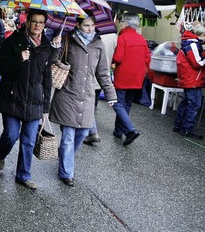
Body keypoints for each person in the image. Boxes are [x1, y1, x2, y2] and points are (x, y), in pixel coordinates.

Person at [49, 14, 117, 186]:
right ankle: (66, 173)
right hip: (67, 93)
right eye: (86, 25)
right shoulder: (66, 39)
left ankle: (65, 155)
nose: (90, 29)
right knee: (68, 136)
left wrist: (110, 94)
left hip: (87, 95)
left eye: (92, 25)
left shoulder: (98, 44)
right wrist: (55, 47)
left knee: (83, 133)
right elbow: (53, 61)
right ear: (78, 25)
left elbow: (102, 73)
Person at [0, 9, 54, 190]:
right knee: (11, 135)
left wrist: (46, 108)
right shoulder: (13, 41)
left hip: (35, 100)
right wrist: (18, 59)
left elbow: (47, 78)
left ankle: (23, 175)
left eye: (41, 22)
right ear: (27, 22)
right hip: (13, 96)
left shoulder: (46, 46)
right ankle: (0, 153)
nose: (37, 26)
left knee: (28, 141)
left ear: (44, 25)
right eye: (34, 21)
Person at [111, 13, 151, 146]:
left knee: (117, 103)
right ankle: (118, 131)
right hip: (137, 77)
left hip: (123, 76)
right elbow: (147, 59)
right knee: (126, 104)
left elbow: (118, 58)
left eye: (121, 21)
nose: (120, 23)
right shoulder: (142, 39)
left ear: (126, 23)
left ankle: (130, 129)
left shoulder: (122, 38)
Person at [84, 32, 118, 144]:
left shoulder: (89, 37)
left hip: (89, 77)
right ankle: (91, 130)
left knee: (88, 105)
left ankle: (92, 131)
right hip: (102, 77)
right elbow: (117, 57)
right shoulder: (114, 37)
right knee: (92, 105)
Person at [173, 24, 205, 139]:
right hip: (193, 79)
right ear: (202, 35)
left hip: (188, 78)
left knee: (186, 102)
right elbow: (198, 63)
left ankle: (178, 125)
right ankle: (186, 129)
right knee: (194, 104)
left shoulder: (187, 42)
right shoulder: (193, 44)